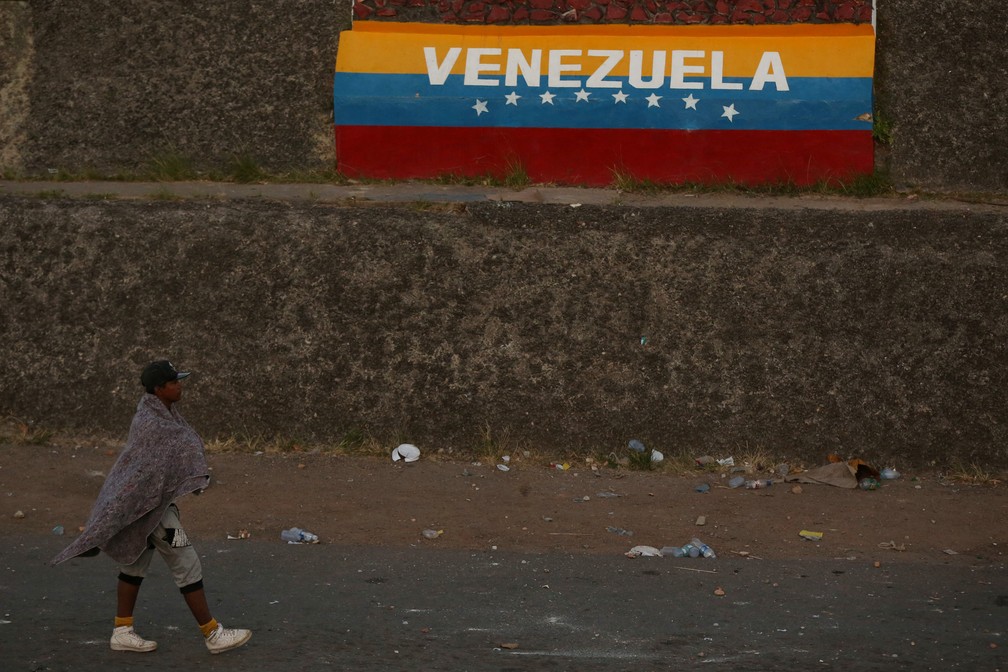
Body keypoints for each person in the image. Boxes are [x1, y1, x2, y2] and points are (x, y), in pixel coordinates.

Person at [52, 360, 251, 654]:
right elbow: (152, 467)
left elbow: (166, 459)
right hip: (150, 508)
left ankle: (122, 630)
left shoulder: (165, 416)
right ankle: (213, 634)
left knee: (134, 563)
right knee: (186, 559)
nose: (180, 385)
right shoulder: (151, 423)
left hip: (147, 506)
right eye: (174, 382)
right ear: (159, 389)